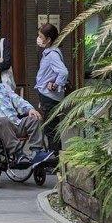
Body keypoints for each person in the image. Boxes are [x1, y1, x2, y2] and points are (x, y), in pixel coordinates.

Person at [0, 83, 55, 167]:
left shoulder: (3, 87)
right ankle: (19, 154)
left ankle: (36, 152)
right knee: (3, 120)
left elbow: (18, 100)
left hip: (15, 122)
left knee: (34, 118)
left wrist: (30, 109)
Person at [34, 23, 69, 154]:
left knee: (50, 128)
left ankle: (54, 158)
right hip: (47, 96)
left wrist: (55, 84)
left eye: (40, 36)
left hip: (50, 97)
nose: (38, 38)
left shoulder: (53, 54)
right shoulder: (50, 52)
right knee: (51, 127)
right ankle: (54, 156)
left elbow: (63, 72)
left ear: (48, 40)